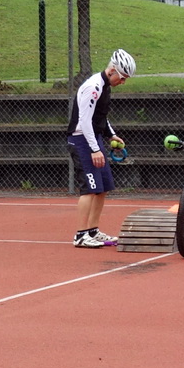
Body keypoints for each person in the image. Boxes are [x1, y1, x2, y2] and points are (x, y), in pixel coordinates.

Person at [65, 49, 135, 248]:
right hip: (81, 140)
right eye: (122, 78)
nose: (123, 82)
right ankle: (80, 235)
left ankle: (93, 231)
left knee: (102, 188)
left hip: (93, 139)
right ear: (112, 70)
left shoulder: (105, 86)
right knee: (89, 189)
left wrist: (110, 134)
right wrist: (95, 149)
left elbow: (100, 115)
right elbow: (84, 121)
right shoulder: (93, 87)